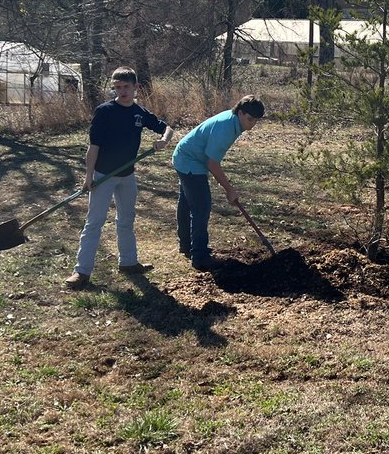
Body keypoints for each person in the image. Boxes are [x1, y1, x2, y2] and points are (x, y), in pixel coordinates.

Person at [64, 68, 173, 289]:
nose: (122, 91)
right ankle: (81, 272)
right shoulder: (105, 111)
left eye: (126, 87)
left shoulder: (140, 113)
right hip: (103, 175)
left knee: (126, 220)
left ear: (135, 88)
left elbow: (167, 128)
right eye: (117, 87)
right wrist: (88, 177)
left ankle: (128, 263)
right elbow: (93, 147)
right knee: (94, 222)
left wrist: (164, 140)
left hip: (127, 175)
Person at [172, 95, 265, 271]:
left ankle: (186, 245)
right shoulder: (227, 128)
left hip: (185, 155)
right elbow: (212, 163)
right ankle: (199, 256)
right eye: (250, 119)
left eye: (256, 121)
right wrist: (229, 189)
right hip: (190, 161)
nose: (252, 124)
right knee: (201, 207)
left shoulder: (233, 121)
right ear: (240, 113)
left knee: (186, 202)